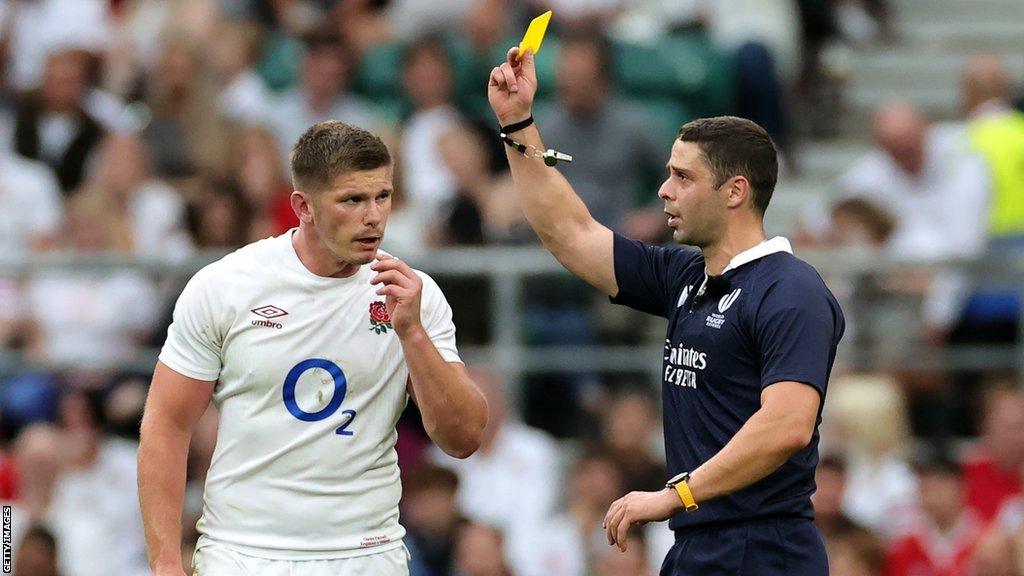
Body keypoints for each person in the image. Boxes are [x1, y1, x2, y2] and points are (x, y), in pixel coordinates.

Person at [487, 48, 844, 575]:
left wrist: (675, 496)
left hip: (762, 551)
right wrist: (517, 122)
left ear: (735, 192)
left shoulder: (791, 290)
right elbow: (570, 234)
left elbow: (787, 425)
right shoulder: (685, 276)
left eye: (683, 177)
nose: (664, 190)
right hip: (698, 546)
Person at [137, 120, 488, 576]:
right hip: (245, 553)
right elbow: (166, 424)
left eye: (382, 196)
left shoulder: (414, 296)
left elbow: (462, 439)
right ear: (303, 206)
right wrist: (165, 564)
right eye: (352, 200)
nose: (374, 216)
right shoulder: (225, 287)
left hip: (367, 553)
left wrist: (413, 335)